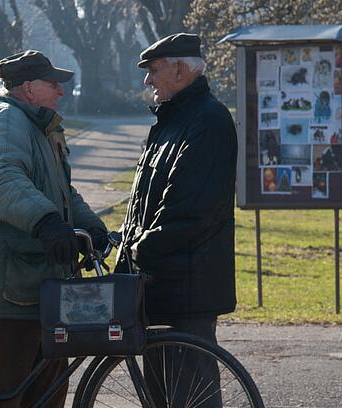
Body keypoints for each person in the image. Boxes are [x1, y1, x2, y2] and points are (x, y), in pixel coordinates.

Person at [0, 50, 107, 408]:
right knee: (4, 396)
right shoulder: (5, 122)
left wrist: (91, 228)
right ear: (28, 88)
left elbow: (61, 193)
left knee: (47, 394)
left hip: (35, 286)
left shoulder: (37, 125)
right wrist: (47, 223)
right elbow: (0, 181)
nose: (61, 92)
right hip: (5, 289)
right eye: (54, 84)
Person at [116, 33, 238, 407]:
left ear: (181, 70)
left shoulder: (207, 121)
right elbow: (147, 203)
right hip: (162, 286)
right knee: (164, 397)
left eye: (154, 70)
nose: (147, 80)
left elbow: (189, 210)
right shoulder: (173, 121)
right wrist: (123, 239)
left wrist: (137, 248)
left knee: (189, 398)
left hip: (188, 290)